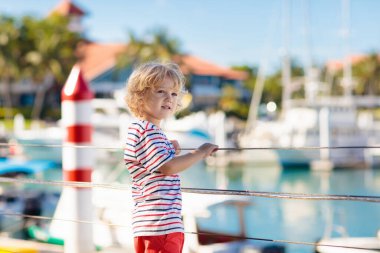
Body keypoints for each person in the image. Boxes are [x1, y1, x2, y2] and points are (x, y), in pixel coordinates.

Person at [124, 61, 218, 253]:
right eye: (160, 91)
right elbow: (167, 168)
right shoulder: (147, 131)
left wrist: (169, 149)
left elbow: (154, 166)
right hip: (161, 225)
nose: (169, 98)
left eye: (174, 94)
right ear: (140, 96)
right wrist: (199, 152)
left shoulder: (143, 130)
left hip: (151, 224)